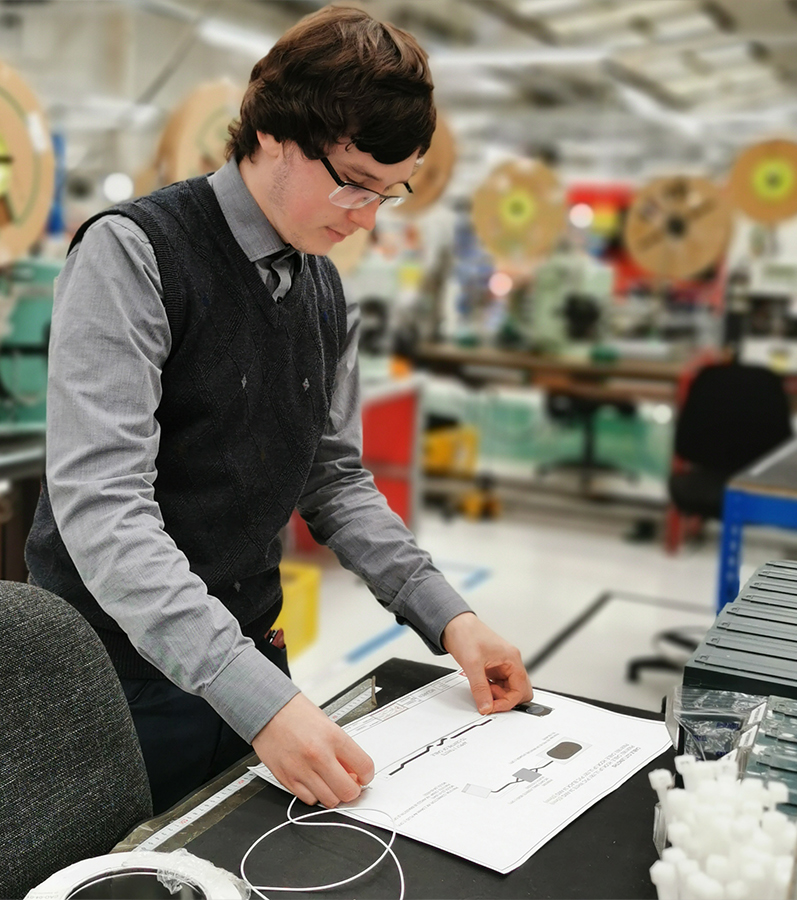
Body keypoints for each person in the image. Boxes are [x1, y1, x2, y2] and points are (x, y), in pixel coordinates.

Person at [27, 5, 532, 816]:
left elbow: (334, 480)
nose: (365, 216)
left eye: (388, 194)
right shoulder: (133, 254)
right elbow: (105, 511)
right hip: (113, 673)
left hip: (251, 650)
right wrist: (258, 700)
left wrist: (450, 619)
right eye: (352, 182)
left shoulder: (325, 290)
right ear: (271, 133)